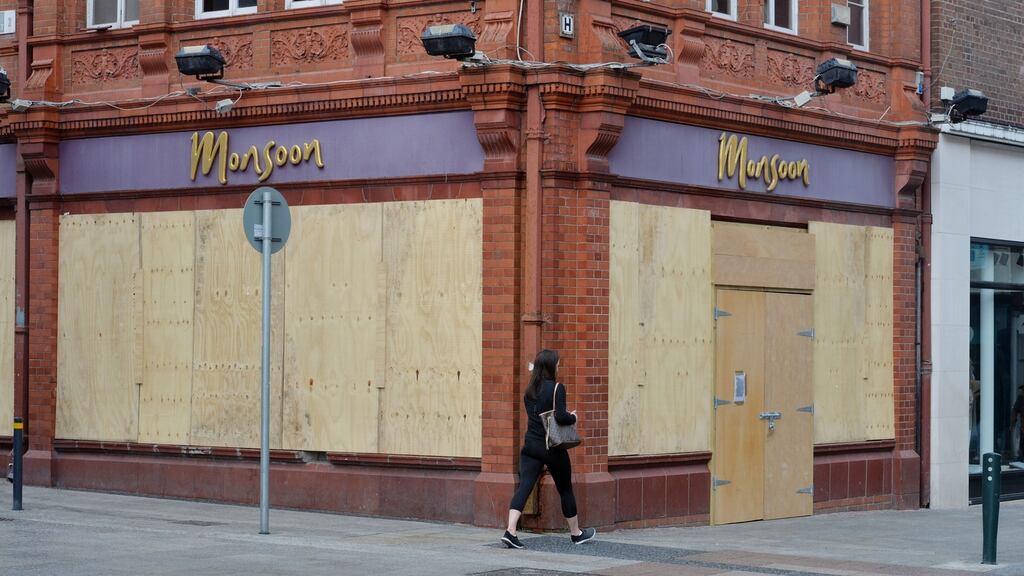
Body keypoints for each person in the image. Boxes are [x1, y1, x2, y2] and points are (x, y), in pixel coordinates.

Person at [501, 349, 596, 549]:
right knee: (565, 489)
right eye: (558, 364)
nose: (559, 366)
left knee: (525, 486)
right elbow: (561, 417)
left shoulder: (530, 390)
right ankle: (576, 534)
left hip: (531, 446)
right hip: (551, 447)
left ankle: (510, 531)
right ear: (551, 366)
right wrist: (574, 417)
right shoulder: (557, 388)